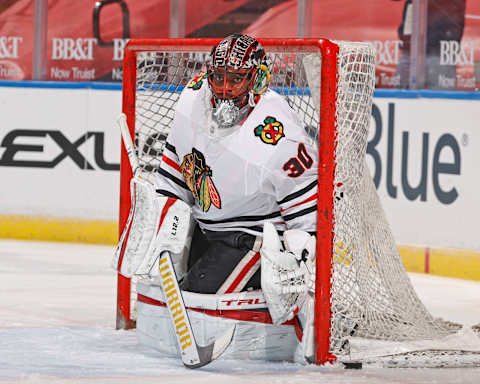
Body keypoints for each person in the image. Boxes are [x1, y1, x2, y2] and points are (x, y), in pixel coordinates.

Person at [153, 33, 318, 296]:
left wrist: (299, 264)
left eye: (235, 79)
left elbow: (308, 220)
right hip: (205, 231)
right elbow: (174, 177)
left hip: (254, 242)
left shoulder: (280, 134)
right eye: (218, 77)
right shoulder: (191, 101)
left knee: (198, 296)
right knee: (160, 285)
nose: (225, 89)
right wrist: (160, 221)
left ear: (257, 79)